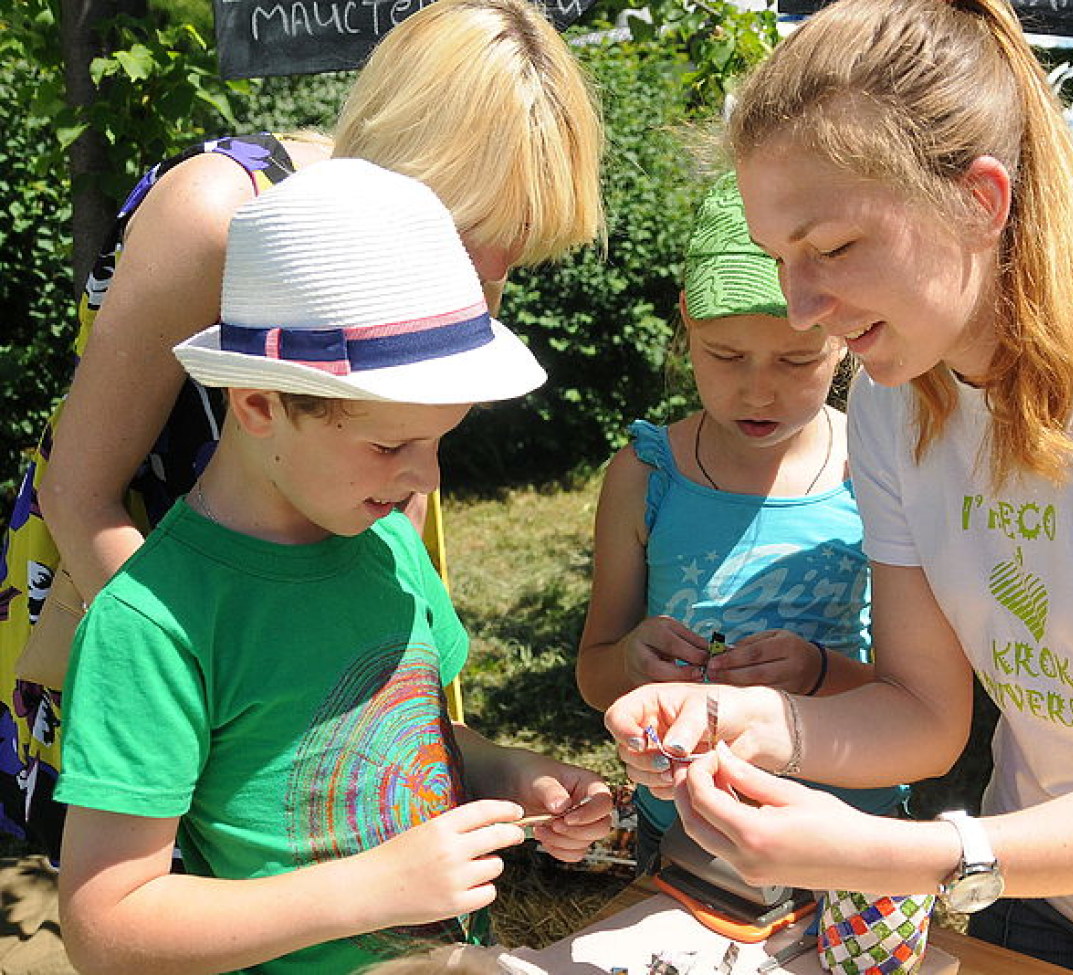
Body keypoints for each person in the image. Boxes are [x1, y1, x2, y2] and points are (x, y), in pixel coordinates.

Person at [604, 0, 1073, 972]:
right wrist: (749, 724)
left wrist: (901, 855)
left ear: (980, 200)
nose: (803, 306)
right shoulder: (897, 399)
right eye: (780, 257)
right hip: (1033, 894)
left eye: (833, 249)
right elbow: (924, 718)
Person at [0, 0, 603, 857]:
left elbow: (397, 476)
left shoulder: (458, 254)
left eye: (519, 243)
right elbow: (80, 489)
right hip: (164, 614)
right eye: (476, 229)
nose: (491, 273)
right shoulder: (219, 213)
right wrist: (228, 699)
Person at [55, 159, 614, 975]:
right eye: (391, 444)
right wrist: (373, 889)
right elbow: (107, 924)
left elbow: (413, 738)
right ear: (258, 404)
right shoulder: (155, 622)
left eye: (435, 441)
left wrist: (510, 769)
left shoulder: (384, 546)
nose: (425, 478)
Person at [576, 172, 905, 873]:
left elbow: (920, 700)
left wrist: (819, 672)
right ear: (687, 319)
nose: (759, 389)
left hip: (849, 830)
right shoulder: (644, 476)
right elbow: (595, 672)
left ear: (843, 334)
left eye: (796, 358)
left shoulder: (876, 470)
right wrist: (631, 660)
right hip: (691, 830)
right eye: (726, 357)